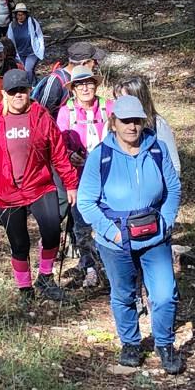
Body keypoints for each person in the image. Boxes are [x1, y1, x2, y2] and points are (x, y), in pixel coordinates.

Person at [77, 95, 183, 372]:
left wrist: (167, 221)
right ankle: (131, 343)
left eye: (136, 121)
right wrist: (112, 234)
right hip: (115, 240)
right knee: (123, 293)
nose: (132, 127)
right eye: (125, 121)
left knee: (164, 294)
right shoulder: (101, 155)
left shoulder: (157, 149)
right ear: (113, 123)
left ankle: (165, 345)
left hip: (155, 236)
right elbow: (86, 201)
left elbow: (173, 188)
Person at [0, 68, 78, 305]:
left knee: (52, 232)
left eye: (23, 90)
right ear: (4, 94)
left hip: (39, 185)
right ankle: (25, 289)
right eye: (13, 91)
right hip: (7, 192)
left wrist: (70, 184)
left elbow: (59, 153)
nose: (18, 95)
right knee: (19, 243)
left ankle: (46, 277)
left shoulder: (41, 117)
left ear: (30, 91)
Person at [56, 66, 113, 288]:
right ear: (73, 89)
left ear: (96, 85)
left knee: (108, 221)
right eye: (80, 84)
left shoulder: (109, 108)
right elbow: (58, 145)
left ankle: (110, 266)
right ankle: (89, 266)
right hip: (78, 179)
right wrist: (70, 155)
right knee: (81, 225)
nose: (85, 88)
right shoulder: (66, 112)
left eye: (89, 83)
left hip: (108, 176)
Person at [112, 77, 181, 175]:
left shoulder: (158, 124)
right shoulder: (114, 123)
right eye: (117, 99)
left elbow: (174, 165)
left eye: (124, 98)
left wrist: (169, 187)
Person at [33, 41, 107, 121]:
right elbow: (42, 113)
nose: (96, 65)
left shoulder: (84, 80)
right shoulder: (56, 81)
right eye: (94, 61)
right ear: (84, 63)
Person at [5, 4, 44, 84]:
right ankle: (35, 83)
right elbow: (10, 40)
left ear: (26, 14)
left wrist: (41, 49)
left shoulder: (32, 22)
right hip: (20, 53)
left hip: (32, 52)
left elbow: (39, 35)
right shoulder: (12, 25)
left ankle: (28, 87)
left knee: (27, 69)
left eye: (22, 14)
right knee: (24, 70)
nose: (21, 17)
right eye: (18, 15)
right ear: (16, 15)